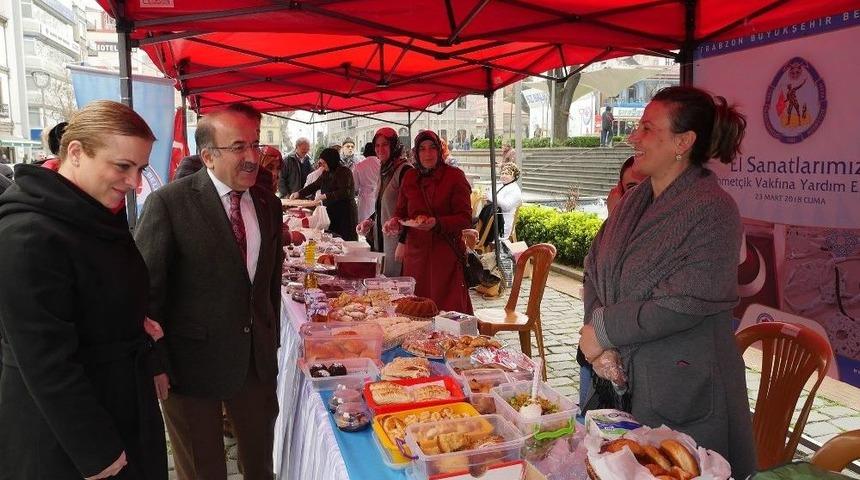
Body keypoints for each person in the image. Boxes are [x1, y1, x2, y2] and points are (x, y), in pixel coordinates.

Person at [577, 86, 756, 479]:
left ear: (683, 142)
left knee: (676, 470)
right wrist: (599, 342)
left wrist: (603, 330)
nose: (633, 138)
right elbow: (594, 268)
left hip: (683, 390)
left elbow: (684, 302)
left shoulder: (714, 211)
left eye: (647, 128)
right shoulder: (633, 202)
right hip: (624, 382)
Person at [0, 100, 167, 479]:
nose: (135, 183)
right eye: (122, 166)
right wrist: (97, 451)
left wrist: (133, 323)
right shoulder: (27, 234)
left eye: (140, 169)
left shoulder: (93, 209)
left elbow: (95, 291)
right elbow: (45, 360)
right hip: (65, 437)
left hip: (121, 400)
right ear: (75, 153)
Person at [134, 103, 283, 480]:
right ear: (208, 156)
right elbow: (146, 292)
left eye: (255, 144)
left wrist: (272, 340)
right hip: (190, 366)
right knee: (204, 471)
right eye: (239, 147)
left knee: (261, 466)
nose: (252, 157)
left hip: (255, 363)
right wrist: (156, 362)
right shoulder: (169, 203)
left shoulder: (268, 203)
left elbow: (270, 282)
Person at [384, 130, 473, 313]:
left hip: (444, 255)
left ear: (439, 151)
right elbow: (401, 212)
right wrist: (394, 222)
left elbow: (465, 218)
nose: (427, 154)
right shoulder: (410, 177)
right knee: (416, 310)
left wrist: (437, 223)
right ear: (416, 152)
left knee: (447, 311)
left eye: (432, 148)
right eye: (422, 149)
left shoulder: (454, 176)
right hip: (415, 256)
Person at [356, 127, 412, 276]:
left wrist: (403, 242)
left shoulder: (405, 171)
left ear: (394, 146)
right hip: (381, 240)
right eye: (377, 145)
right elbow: (382, 205)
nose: (380, 149)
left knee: (396, 282)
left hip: (397, 242)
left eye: (385, 144)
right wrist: (370, 221)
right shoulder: (384, 169)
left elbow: (411, 211)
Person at [291, 147, 358, 241]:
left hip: (345, 213)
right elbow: (314, 185)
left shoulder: (344, 172)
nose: (322, 166)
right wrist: (299, 193)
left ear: (331, 161)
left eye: (324, 163)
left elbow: (345, 192)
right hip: (331, 211)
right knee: (333, 238)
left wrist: (326, 196)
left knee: (346, 238)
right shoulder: (326, 172)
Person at [494, 162, 523, 240]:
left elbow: (506, 206)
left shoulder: (514, 189)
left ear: (514, 176)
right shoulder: (502, 186)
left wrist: (492, 198)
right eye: (502, 173)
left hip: (503, 224)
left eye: (507, 174)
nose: (503, 176)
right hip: (495, 221)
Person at [352, 141, 379, 222]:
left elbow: (355, 186)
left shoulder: (359, 166)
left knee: (364, 225)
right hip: (379, 197)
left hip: (365, 200)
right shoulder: (382, 164)